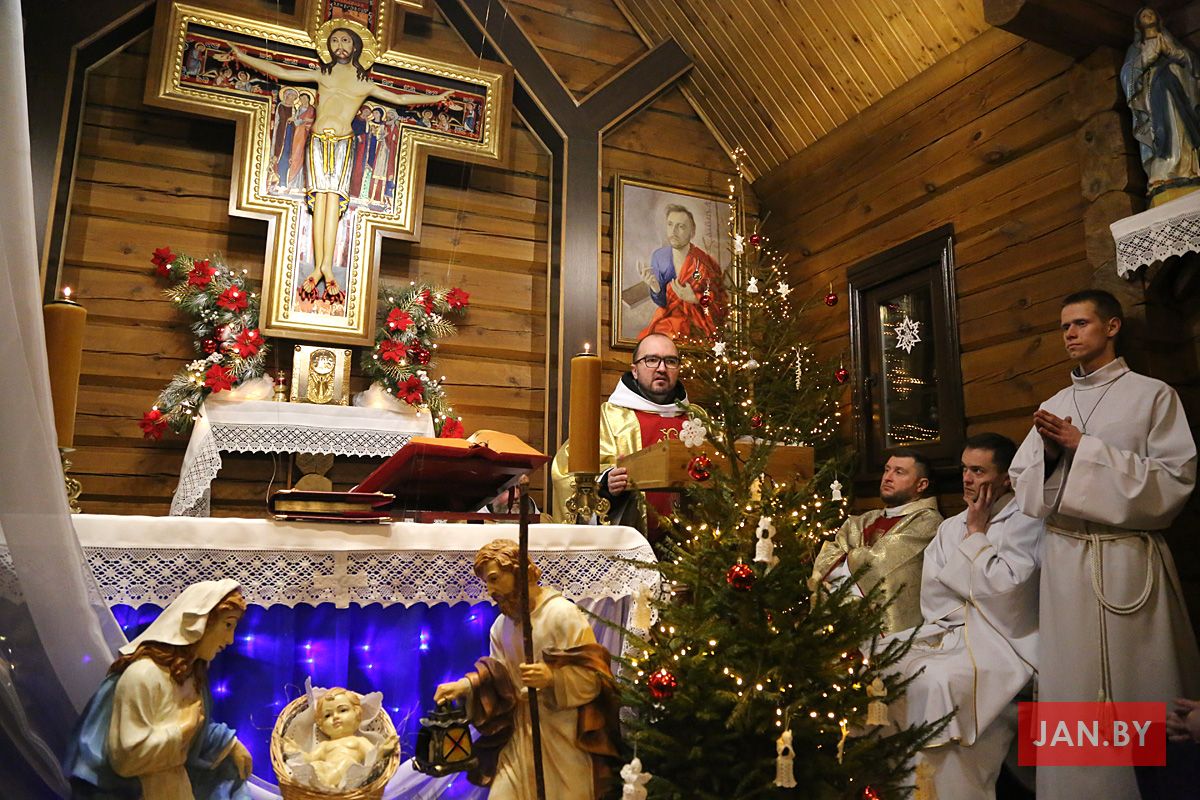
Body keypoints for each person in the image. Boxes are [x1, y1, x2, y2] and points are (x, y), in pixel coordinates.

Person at [1009, 288, 1200, 799]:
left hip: (1127, 558)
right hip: (1067, 563)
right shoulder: (1053, 405)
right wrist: (1053, 458)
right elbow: (1024, 484)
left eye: (1081, 323)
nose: (1069, 334)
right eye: (1064, 326)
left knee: (1141, 679)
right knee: (1073, 683)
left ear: (1112, 327)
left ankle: (1146, 788)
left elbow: (1174, 479)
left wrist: (1083, 448)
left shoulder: (1153, 395)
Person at [229, 27, 450, 306]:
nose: (339, 45)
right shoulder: (322, 74)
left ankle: (326, 266)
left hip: (343, 144)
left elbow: (400, 99)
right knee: (319, 200)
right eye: (334, 41)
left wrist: (435, 98)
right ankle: (320, 266)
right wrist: (243, 57)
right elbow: (283, 72)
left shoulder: (364, 84)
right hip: (317, 141)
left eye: (345, 40)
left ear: (356, 46)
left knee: (332, 201)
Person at [884, 434, 1042, 800]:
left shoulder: (1026, 523)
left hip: (1007, 642)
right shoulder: (950, 526)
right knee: (883, 657)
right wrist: (972, 585)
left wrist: (976, 535)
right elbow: (936, 593)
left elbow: (1010, 592)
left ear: (1006, 479)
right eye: (964, 469)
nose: (967, 479)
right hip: (953, 631)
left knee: (939, 679)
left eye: (978, 471)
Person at [433, 539, 619, 799]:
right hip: (518, 737)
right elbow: (499, 678)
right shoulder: (501, 626)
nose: (490, 590)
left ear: (519, 572)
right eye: (487, 583)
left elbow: (594, 679)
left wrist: (553, 678)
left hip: (561, 738)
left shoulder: (562, 614)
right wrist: (466, 686)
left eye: (494, 579)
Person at [64, 579, 253, 799]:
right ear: (200, 622)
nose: (230, 639)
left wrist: (229, 745)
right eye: (228, 625)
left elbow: (196, 733)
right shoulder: (143, 675)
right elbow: (127, 758)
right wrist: (181, 731)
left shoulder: (191, 678)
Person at [550, 333, 689, 539]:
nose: (661, 368)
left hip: (695, 549)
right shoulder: (609, 417)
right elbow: (566, 472)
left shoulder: (696, 419)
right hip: (630, 546)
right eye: (651, 360)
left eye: (670, 361)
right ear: (635, 370)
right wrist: (605, 484)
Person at [810, 449, 942, 634]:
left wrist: (847, 558)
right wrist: (853, 561)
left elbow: (879, 564)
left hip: (891, 635)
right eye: (887, 470)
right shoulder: (864, 520)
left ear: (921, 485)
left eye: (899, 472)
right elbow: (827, 556)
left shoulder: (928, 522)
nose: (887, 477)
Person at [1121, 6, 1200, 204]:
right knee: (1162, 132)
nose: (1148, 15)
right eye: (1143, 14)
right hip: (1155, 103)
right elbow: (1127, 76)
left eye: (1151, 13)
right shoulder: (1136, 49)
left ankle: (1190, 168)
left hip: (1179, 98)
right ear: (1138, 23)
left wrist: (1174, 54)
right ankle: (1164, 171)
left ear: (1158, 18)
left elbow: (1192, 64)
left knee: (1183, 132)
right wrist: (1146, 59)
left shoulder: (1169, 40)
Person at [636, 205, 725, 341]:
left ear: (692, 232)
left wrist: (695, 299)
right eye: (670, 224)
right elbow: (663, 303)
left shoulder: (706, 263)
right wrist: (656, 288)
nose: (673, 231)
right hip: (667, 320)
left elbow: (720, 303)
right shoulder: (659, 257)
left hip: (697, 324)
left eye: (681, 226)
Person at [285, 687, 398, 792]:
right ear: (321, 725)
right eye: (327, 715)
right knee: (316, 765)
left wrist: (383, 750)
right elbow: (309, 759)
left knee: (347, 762)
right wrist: (295, 751)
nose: (335, 717)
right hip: (325, 770)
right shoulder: (324, 745)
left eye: (343, 710)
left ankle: (327, 784)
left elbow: (372, 757)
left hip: (347, 776)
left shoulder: (359, 741)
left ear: (357, 714)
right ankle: (321, 786)